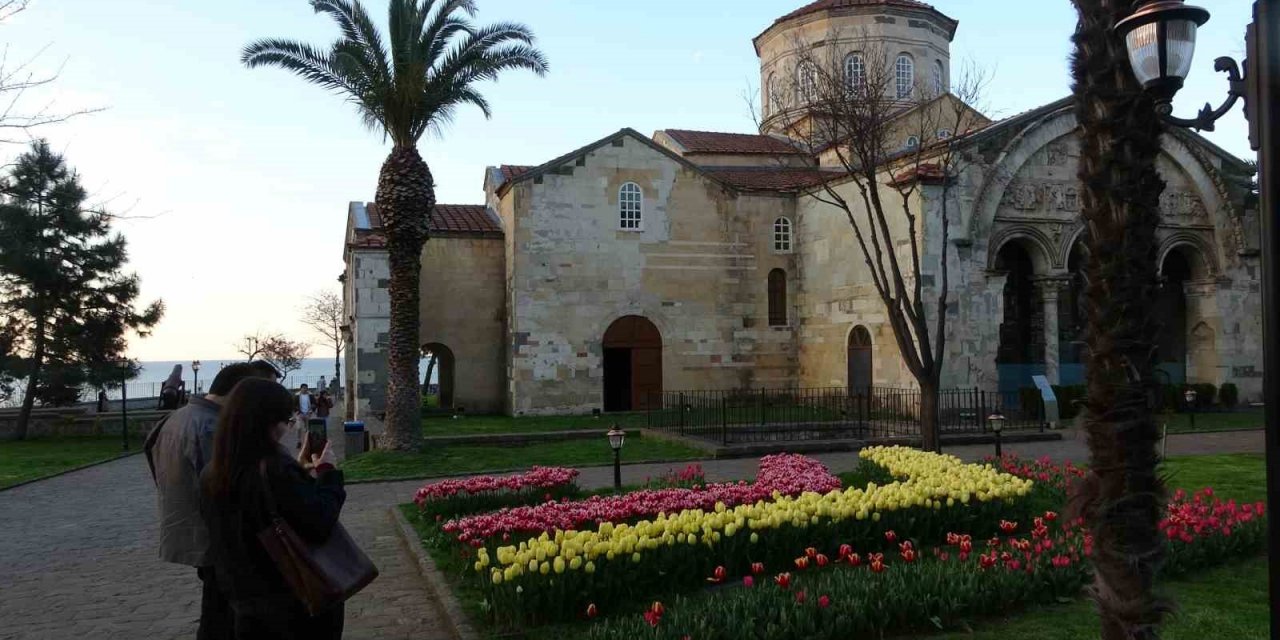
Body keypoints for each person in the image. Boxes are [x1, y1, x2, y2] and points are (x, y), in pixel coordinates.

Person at [143, 360, 280, 640]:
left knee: (217, 609)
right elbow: (229, 492)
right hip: (221, 541)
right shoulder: (213, 428)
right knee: (228, 617)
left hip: (193, 533)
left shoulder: (174, 419)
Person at [201, 377, 346, 639]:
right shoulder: (275, 470)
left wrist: (298, 471)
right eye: (286, 422)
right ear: (268, 423)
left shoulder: (213, 472)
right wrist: (327, 473)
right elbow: (319, 522)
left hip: (244, 599)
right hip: (291, 600)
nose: (287, 429)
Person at [293, 383, 313, 449]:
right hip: (300, 414)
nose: (305, 389)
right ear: (300, 388)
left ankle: (306, 442)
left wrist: (311, 410)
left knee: (307, 429)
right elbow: (293, 404)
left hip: (308, 413)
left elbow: (314, 403)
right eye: (303, 388)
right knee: (299, 427)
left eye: (306, 388)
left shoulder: (310, 395)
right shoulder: (297, 396)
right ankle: (299, 441)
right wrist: (297, 411)